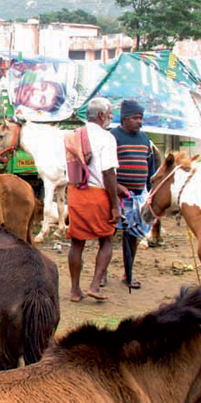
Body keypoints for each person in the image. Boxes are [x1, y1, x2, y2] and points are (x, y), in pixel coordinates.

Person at [67, 97, 120, 302]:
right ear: (101, 116)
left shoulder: (72, 136)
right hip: (98, 194)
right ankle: (95, 285)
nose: (110, 118)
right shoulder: (107, 138)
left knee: (77, 243)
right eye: (109, 114)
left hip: (76, 193)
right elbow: (108, 173)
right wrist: (115, 206)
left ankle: (74, 290)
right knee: (106, 240)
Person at [111, 99, 157, 290]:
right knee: (108, 234)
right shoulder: (113, 137)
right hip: (116, 196)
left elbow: (150, 165)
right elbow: (106, 167)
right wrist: (115, 187)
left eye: (141, 118)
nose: (139, 121)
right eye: (135, 118)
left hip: (137, 196)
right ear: (124, 119)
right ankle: (102, 274)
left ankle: (128, 274)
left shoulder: (145, 139)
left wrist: (150, 190)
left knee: (132, 236)